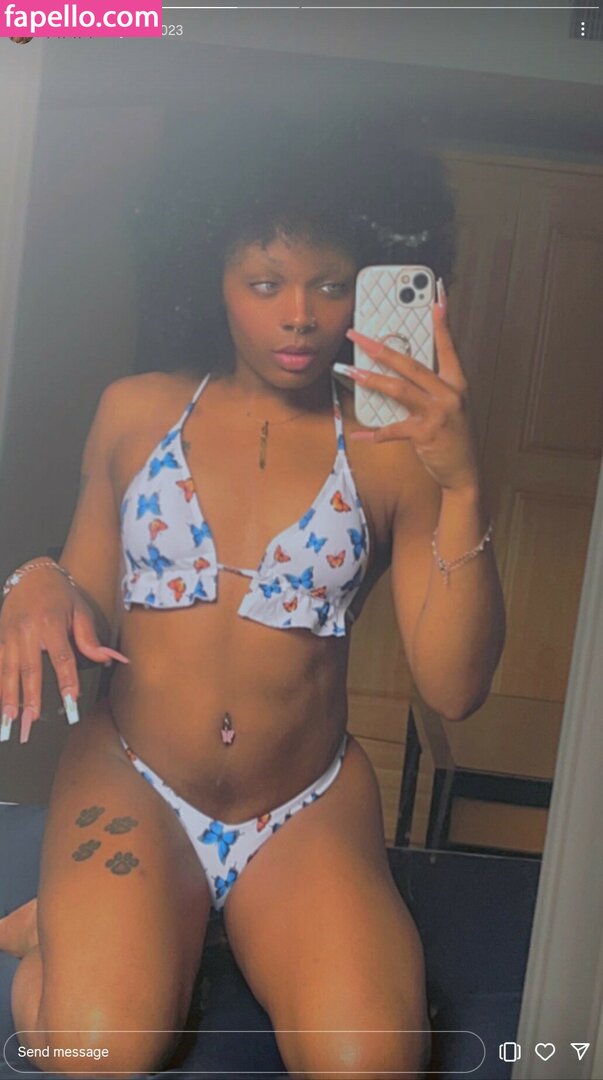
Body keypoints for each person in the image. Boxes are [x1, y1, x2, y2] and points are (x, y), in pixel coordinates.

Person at [0, 114, 505, 1079]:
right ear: (211, 277)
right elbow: (85, 596)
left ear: (368, 283)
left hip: (303, 804)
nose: (299, 316)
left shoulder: (394, 454)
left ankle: (186, 920)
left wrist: (464, 484)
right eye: (264, 284)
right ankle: (68, 934)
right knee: (97, 1051)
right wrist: (34, 583)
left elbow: (454, 689)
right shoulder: (135, 410)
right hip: (134, 779)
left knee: (373, 1066)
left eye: (329, 284)